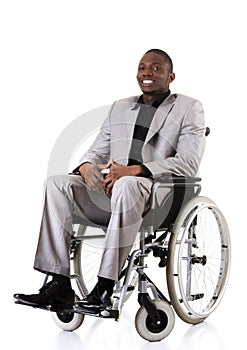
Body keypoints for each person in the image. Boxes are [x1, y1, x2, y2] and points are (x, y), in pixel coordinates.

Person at [14, 49, 206, 312]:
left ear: (171, 76)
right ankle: (59, 283)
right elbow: (97, 150)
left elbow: (188, 163)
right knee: (57, 183)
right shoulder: (121, 107)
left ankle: (105, 286)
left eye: (156, 68)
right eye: (142, 68)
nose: (147, 73)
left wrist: (135, 170)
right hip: (111, 192)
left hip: (156, 196)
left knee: (126, 184)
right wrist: (85, 166)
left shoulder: (188, 108)